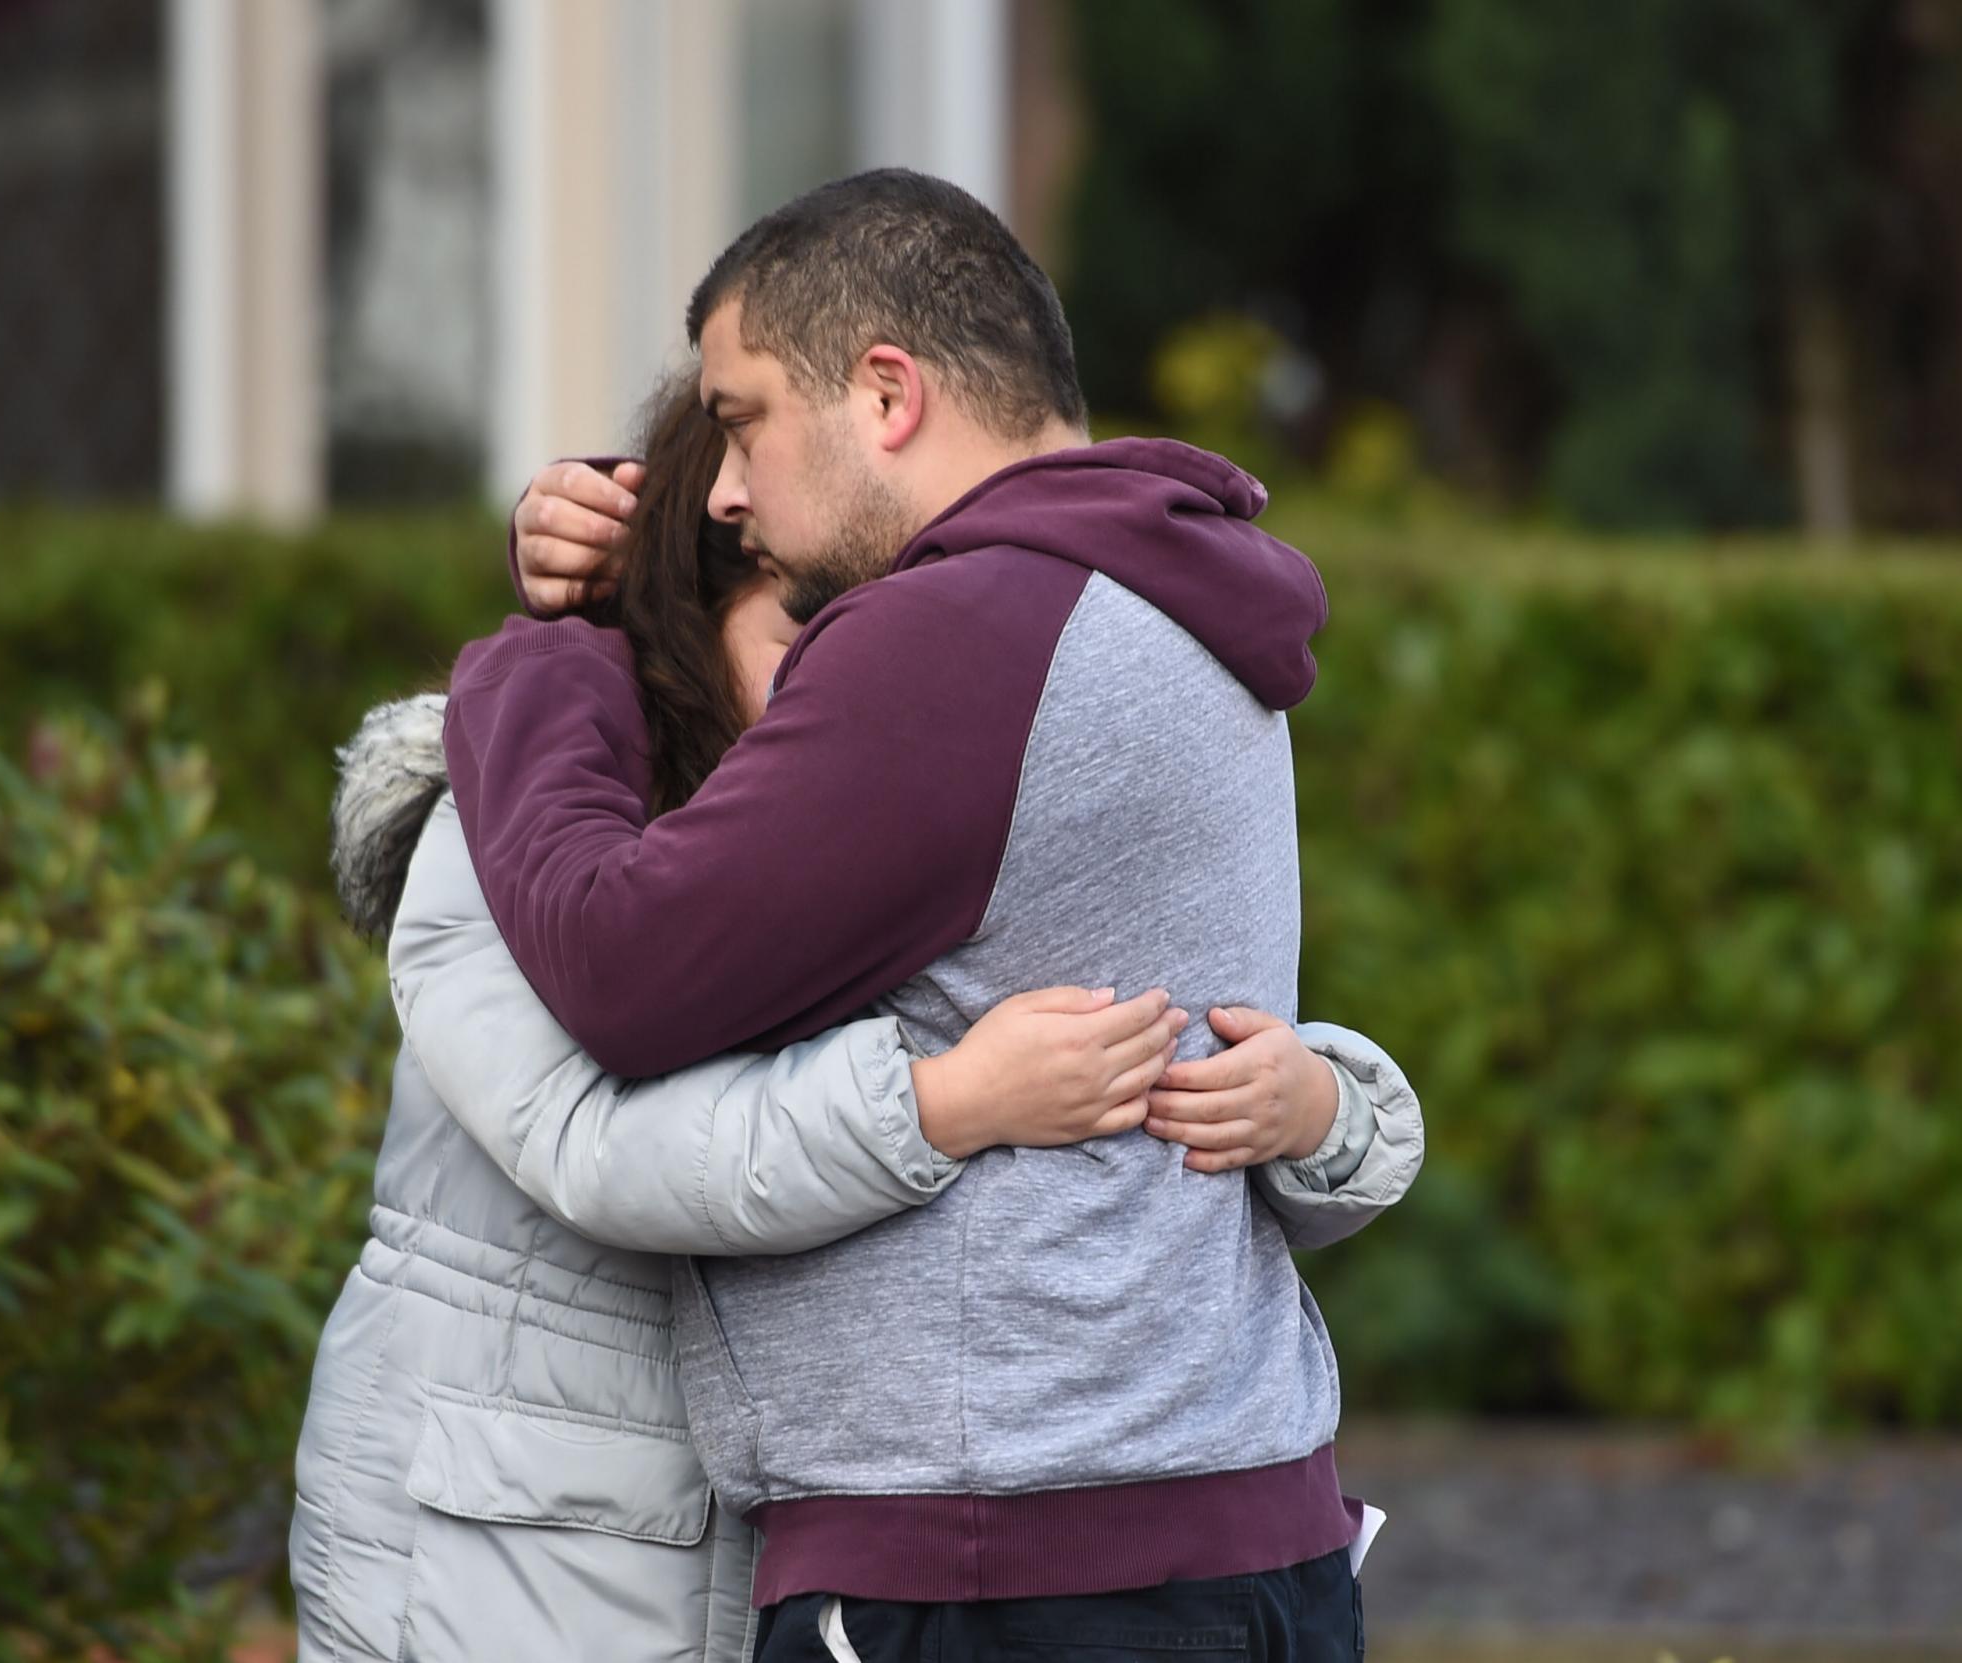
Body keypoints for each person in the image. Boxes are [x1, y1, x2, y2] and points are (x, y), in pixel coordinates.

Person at [443, 170, 1422, 1660]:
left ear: (886, 393)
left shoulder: (968, 633)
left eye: (748, 416)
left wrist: (556, 653)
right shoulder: (1169, 597)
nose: (724, 485)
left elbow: (621, 966)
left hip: (1007, 1571)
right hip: (1230, 1536)